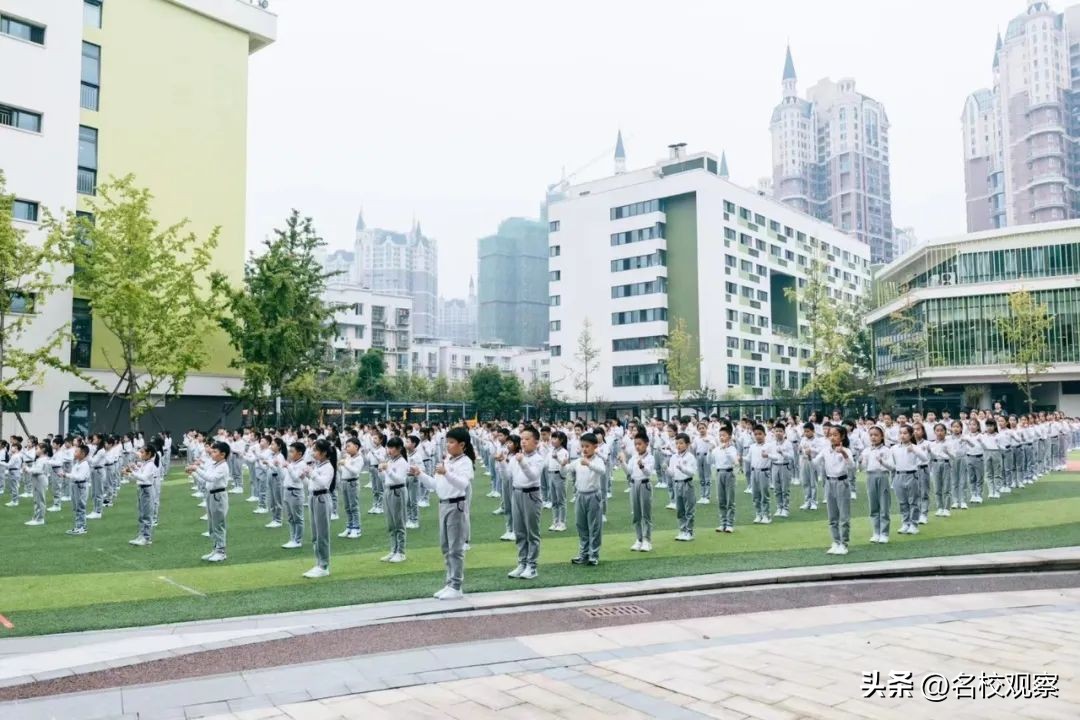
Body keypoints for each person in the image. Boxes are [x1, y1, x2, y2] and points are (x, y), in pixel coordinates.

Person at [413, 426, 474, 600]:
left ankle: (456, 585)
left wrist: (446, 473)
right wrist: (421, 475)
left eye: (452, 442)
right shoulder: (448, 460)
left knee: (455, 548)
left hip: (456, 506)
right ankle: (449, 583)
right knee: (446, 547)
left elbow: (463, 484)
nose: (448, 445)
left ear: (462, 444)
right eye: (447, 442)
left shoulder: (465, 462)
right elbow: (435, 485)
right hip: (443, 504)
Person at [508, 426, 544, 580]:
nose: (523, 442)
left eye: (527, 439)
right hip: (517, 493)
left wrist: (522, 462)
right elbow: (509, 475)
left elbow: (533, 476)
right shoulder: (517, 457)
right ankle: (522, 563)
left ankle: (532, 565)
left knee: (532, 532)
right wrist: (503, 463)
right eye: (522, 439)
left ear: (536, 442)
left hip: (531, 494)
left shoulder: (538, 458)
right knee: (520, 531)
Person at [187, 441, 230, 562]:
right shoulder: (213, 464)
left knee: (218, 525)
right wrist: (193, 473)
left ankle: (221, 551)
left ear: (223, 454)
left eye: (215, 451)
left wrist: (196, 468)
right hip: (210, 495)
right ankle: (216, 548)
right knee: (211, 525)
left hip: (218, 495)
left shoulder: (223, 466)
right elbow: (204, 481)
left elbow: (210, 478)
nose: (212, 453)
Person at [815, 426, 855, 555]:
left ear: (842, 436)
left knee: (844, 516)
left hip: (842, 482)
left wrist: (843, 453)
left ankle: (844, 543)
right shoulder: (826, 450)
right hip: (829, 482)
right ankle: (835, 541)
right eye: (830, 435)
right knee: (832, 516)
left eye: (835, 435)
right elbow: (816, 462)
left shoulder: (846, 450)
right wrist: (809, 454)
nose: (832, 437)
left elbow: (852, 466)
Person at [570, 433, 605, 566]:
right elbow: (568, 468)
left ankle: (593, 554)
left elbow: (602, 471)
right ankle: (583, 553)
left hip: (593, 495)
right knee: (581, 526)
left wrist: (589, 464)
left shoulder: (597, 460)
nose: (584, 449)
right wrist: (561, 464)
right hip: (580, 495)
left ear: (595, 446)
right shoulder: (579, 460)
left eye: (587, 446)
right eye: (582, 446)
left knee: (594, 526)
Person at [303, 438, 336, 578]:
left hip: (322, 498)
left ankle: (324, 565)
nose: (313, 452)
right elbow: (312, 484)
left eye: (316, 450)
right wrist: (305, 477)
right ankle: (318, 562)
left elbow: (323, 484)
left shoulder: (328, 467)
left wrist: (311, 474)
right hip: (313, 497)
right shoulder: (318, 465)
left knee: (322, 534)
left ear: (323, 453)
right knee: (315, 534)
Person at [892, 425, 928, 535]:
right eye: (900, 433)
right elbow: (892, 462)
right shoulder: (894, 448)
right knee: (903, 502)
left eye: (905, 433)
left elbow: (925, 459)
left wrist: (914, 451)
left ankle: (914, 524)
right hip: (898, 475)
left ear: (911, 434)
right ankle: (905, 523)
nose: (902, 435)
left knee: (913, 501)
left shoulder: (915, 447)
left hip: (912, 475)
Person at [860, 426, 893, 543]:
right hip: (870, 477)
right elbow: (862, 468)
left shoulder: (886, 450)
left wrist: (882, 461)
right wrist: (861, 461)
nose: (873, 437)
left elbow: (892, 467)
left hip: (882, 476)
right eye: (871, 435)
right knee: (873, 506)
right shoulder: (866, 451)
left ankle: (884, 533)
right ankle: (876, 532)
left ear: (882, 436)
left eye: (876, 435)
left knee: (884, 505)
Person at [622, 432, 655, 551]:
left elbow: (648, 473)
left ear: (646, 444)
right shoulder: (634, 457)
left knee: (645, 514)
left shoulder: (650, 457)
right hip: (634, 484)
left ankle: (647, 540)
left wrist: (642, 466)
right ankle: (639, 538)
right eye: (635, 444)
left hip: (644, 484)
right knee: (636, 514)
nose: (637, 446)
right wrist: (622, 463)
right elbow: (629, 472)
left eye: (640, 444)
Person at [379, 437, 409, 563]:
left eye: (392, 448)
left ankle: (401, 552)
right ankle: (393, 549)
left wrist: (387, 470)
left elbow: (400, 479)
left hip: (398, 491)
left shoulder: (402, 462)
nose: (389, 450)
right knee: (391, 523)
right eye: (388, 447)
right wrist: (381, 471)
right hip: (388, 490)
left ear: (399, 449)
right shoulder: (390, 461)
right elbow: (386, 478)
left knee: (399, 522)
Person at [125, 444, 160, 545]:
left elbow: (144, 478)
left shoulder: (150, 465)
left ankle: (146, 537)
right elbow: (139, 476)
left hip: (147, 490)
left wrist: (132, 471)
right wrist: (130, 472)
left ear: (149, 454)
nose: (140, 454)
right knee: (141, 515)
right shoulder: (145, 463)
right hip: (141, 489)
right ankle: (141, 535)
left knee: (146, 515)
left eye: (142, 452)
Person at [669, 433, 697, 541]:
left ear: (687, 444)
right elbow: (672, 473)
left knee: (689, 508)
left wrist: (682, 469)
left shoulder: (690, 457)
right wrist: (666, 470)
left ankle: (689, 531)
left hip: (687, 483)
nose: (678, 445)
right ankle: (682, 530)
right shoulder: (673, 457)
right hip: (677, 483)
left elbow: (692, 473)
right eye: (677, 443)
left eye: (681, 443)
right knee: (680, 509)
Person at [711, 426, 739, 533]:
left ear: (729, 437)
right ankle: (722, 523)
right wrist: (711, 450)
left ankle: (729, 524)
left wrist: (726, 449)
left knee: (729, 500)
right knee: (721, 499)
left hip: (729, 473)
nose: (721, 438)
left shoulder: (732, 448)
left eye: (724, 435)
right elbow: (711, 460)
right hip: (719, 473)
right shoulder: (717, 449)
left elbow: (734, 461)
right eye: (720, 435)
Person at [281, 441, 308, 549]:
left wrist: (288, 467)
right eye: (289, 451)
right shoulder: (292, 463)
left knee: (298, 518)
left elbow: (296, 478)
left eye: (292, 452)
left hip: (295, 492)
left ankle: (297, 540)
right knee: (290, 518)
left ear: (300, 454)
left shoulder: (302, 464)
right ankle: (292, 538)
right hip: (287, 491)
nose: (289, 454)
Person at [60, 444, 92, 535]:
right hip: (75, 485)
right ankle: (78, 526)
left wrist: (66, 475)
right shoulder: (77, 463)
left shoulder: (84, 464)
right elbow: (74, 475)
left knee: (80, 507)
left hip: (80, 486)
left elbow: (80, 477)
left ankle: (82, 527)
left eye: (76, 451)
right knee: (76, 507)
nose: (74, 453)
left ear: (82, 454)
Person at [338, 437, 365, 539]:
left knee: (354, 506)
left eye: (349, 446)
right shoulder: (348, 457)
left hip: (353, 483)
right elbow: (344, 472)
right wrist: (340, 466)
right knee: (347, 506)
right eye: (346, 446)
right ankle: (349, 526)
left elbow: (355, 471)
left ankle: (356, 528)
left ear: (356, 447)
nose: (346, 448)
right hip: (345, 482)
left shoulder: (359, 458)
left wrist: (345, 464)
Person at [747, 425, 772, 524]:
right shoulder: (752, 446)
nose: (758, 436)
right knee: (755, 494)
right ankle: (758, 514)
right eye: (756, 434)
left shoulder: (769, 446)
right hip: (754, 471)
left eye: (760, 434)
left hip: (764, 471)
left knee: (764, 494)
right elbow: (749, 458)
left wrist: (768, 455)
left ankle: (766, 515)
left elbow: (776, 457)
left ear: (764, 434)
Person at [769, 424, 795, 518]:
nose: (778, 433)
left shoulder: (788, 443)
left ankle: (785, 508)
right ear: (774, 432)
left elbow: (792, 456)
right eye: (776, 431)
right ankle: (779, 507)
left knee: (785, 489)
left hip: (785, 466)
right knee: (777, 489)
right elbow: (771, 456)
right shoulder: (772, 443)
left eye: (780, 431)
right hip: (775, 466)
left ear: (784, 433)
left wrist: (783, 453)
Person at [546, 431, 570, 532]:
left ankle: (562, 522)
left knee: (561, 500)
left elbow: (564, 465)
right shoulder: (552, 450)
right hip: (551, 474)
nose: (553, 440)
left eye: (555, 438)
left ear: (561, 440)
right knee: (554, 500)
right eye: (552, 438)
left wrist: (557, 459)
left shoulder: (564, 451)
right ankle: (555, 522)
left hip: (559, 475)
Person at [25, 441, 51, 526]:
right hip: (37, 479)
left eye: (37, 449)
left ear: (43, 449)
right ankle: (36, 517)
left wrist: (28, 469)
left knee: (40, 499)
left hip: (40, 479)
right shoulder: (39, 459)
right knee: (36, 499)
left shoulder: (44, 459)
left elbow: (38, 470)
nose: (36, 450)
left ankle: (40, 519)